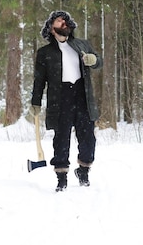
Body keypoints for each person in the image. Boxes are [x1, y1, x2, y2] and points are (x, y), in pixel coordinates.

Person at [30, 11, 103, 192]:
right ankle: (61, 177)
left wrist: (93, 60)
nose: (63, 23)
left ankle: (83, 171)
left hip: (82, 95)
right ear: (51, 28)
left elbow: (99, 62)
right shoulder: (45, 53)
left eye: (65, 20)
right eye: (58, 21)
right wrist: (35, 102)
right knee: (61, 139)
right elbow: (39, 80)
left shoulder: (82, 45)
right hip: (59, 98)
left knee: (87, 137)